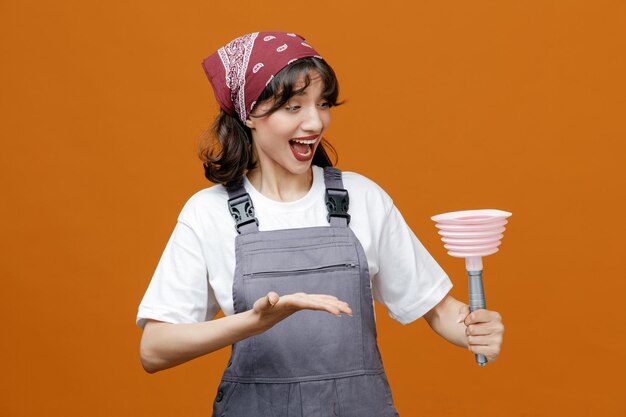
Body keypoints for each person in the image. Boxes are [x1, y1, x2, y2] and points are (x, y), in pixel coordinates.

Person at [137, 31, 504, 416]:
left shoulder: (363, 198)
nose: (315, 122)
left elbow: (439, 309)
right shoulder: (207, 214)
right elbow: (154, 349)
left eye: (323, 103)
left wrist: (474, 331)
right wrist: (255, 321)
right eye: (293, 107)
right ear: (249, 113)